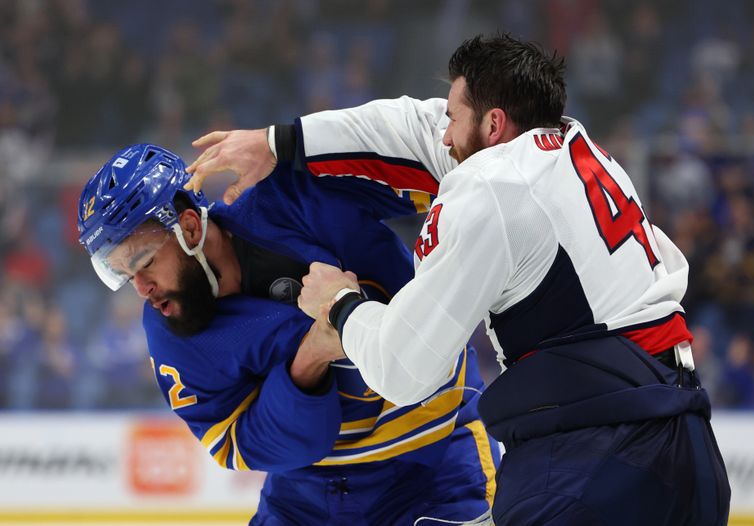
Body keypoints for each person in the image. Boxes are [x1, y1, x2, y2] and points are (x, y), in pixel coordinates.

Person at [187, 34, 731, 525]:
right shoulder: (572, 146)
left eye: (454, 117)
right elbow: (410, 125)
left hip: (599, 459)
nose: (443, 135)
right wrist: (280, 142)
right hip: (687, 441)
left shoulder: (490, 188)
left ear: (493, 124)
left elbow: (403, 368)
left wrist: (340, 305)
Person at [76, 143, 500, 525]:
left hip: (434, 467)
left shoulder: (294, 199)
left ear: (188, 228)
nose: (141, 288)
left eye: (145, 261)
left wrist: (299, 141)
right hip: (305, 500)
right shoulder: (170, 330)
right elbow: (239, 443)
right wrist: (309, 358)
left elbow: (450, 167)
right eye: (123, 272)